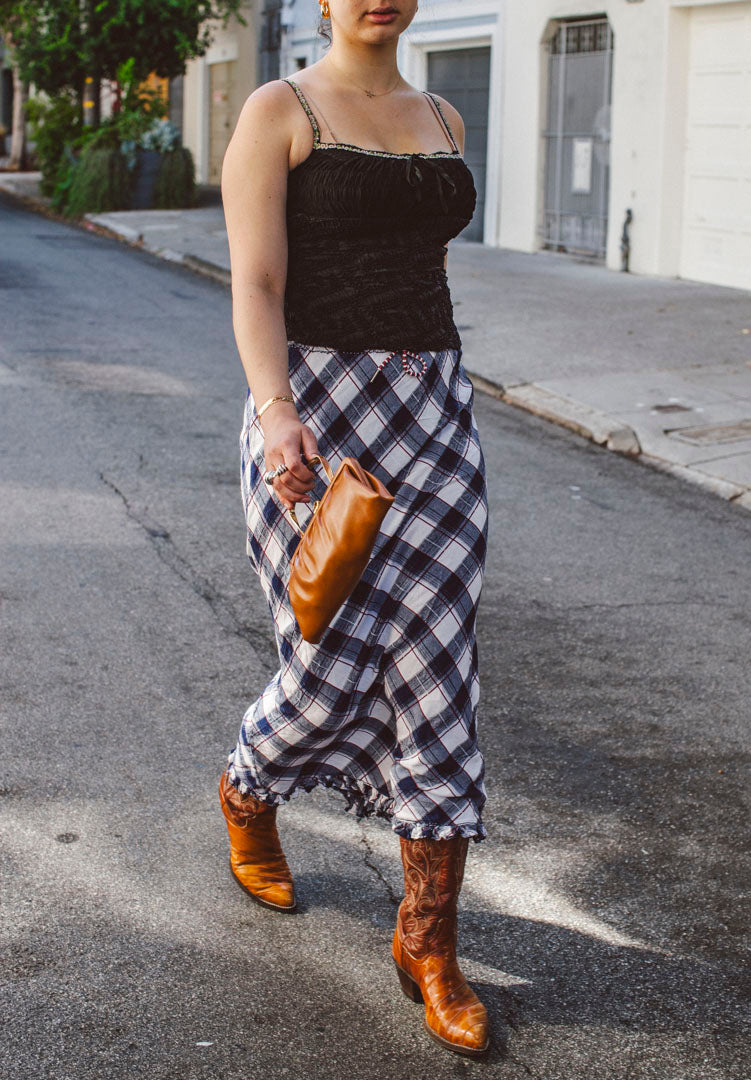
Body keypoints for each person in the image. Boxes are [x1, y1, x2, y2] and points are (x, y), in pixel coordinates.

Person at [219, 0, 490, 1057]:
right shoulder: (279, 109)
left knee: (437, 668)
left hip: (435, 415)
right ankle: (249, 785)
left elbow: (427, 268)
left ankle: (428, 940)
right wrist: (278, 413)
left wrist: (433, 385)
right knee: (328, 661)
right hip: (316, 416)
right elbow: (256, 281)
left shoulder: (444, 118)